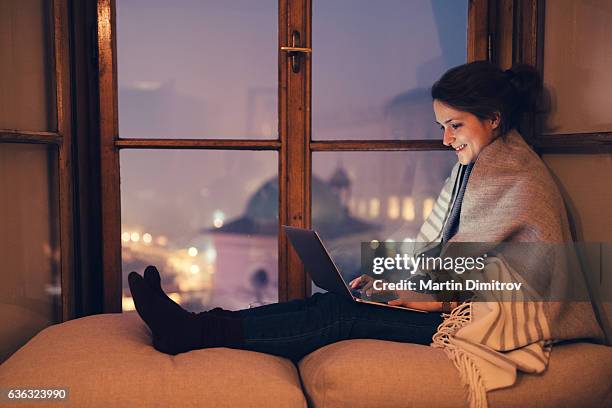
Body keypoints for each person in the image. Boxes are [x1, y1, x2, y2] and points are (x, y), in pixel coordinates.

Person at [129, 61, 603, 408]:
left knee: (340, 314)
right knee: (335, 300)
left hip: (496, 328)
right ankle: (198, 323)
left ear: (494, 118)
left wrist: (431, 298)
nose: (446, 139)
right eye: (442, 126)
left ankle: (194, 331)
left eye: (454, 125)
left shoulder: (515, 178)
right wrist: (392, 283)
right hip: (466, 308)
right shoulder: (480, 168)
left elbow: (507, 281)